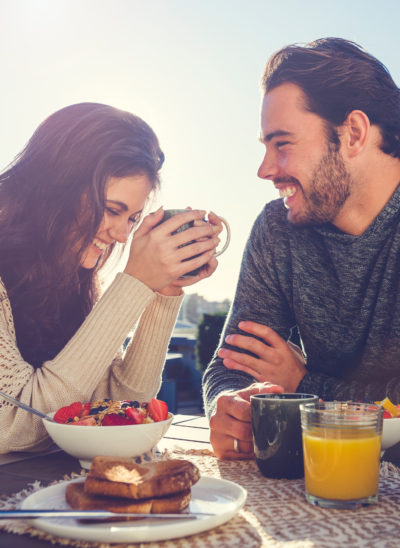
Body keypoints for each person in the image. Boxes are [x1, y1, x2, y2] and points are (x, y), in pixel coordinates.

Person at [203, 37, 400, 459]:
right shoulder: (278, 229)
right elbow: (231, 364)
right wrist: (232, 407)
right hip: (315, 480)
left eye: (283, 144)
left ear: (353, 133)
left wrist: (306, 386)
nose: (265, 170)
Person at [0, 102, 223, 453]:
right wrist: (134, 283)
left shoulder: (73, 277)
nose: (122, 235)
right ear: (54, 188)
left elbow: (119, 405)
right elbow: (14, 421)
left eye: (132, 218)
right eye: (112, 210)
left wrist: (163, 291)